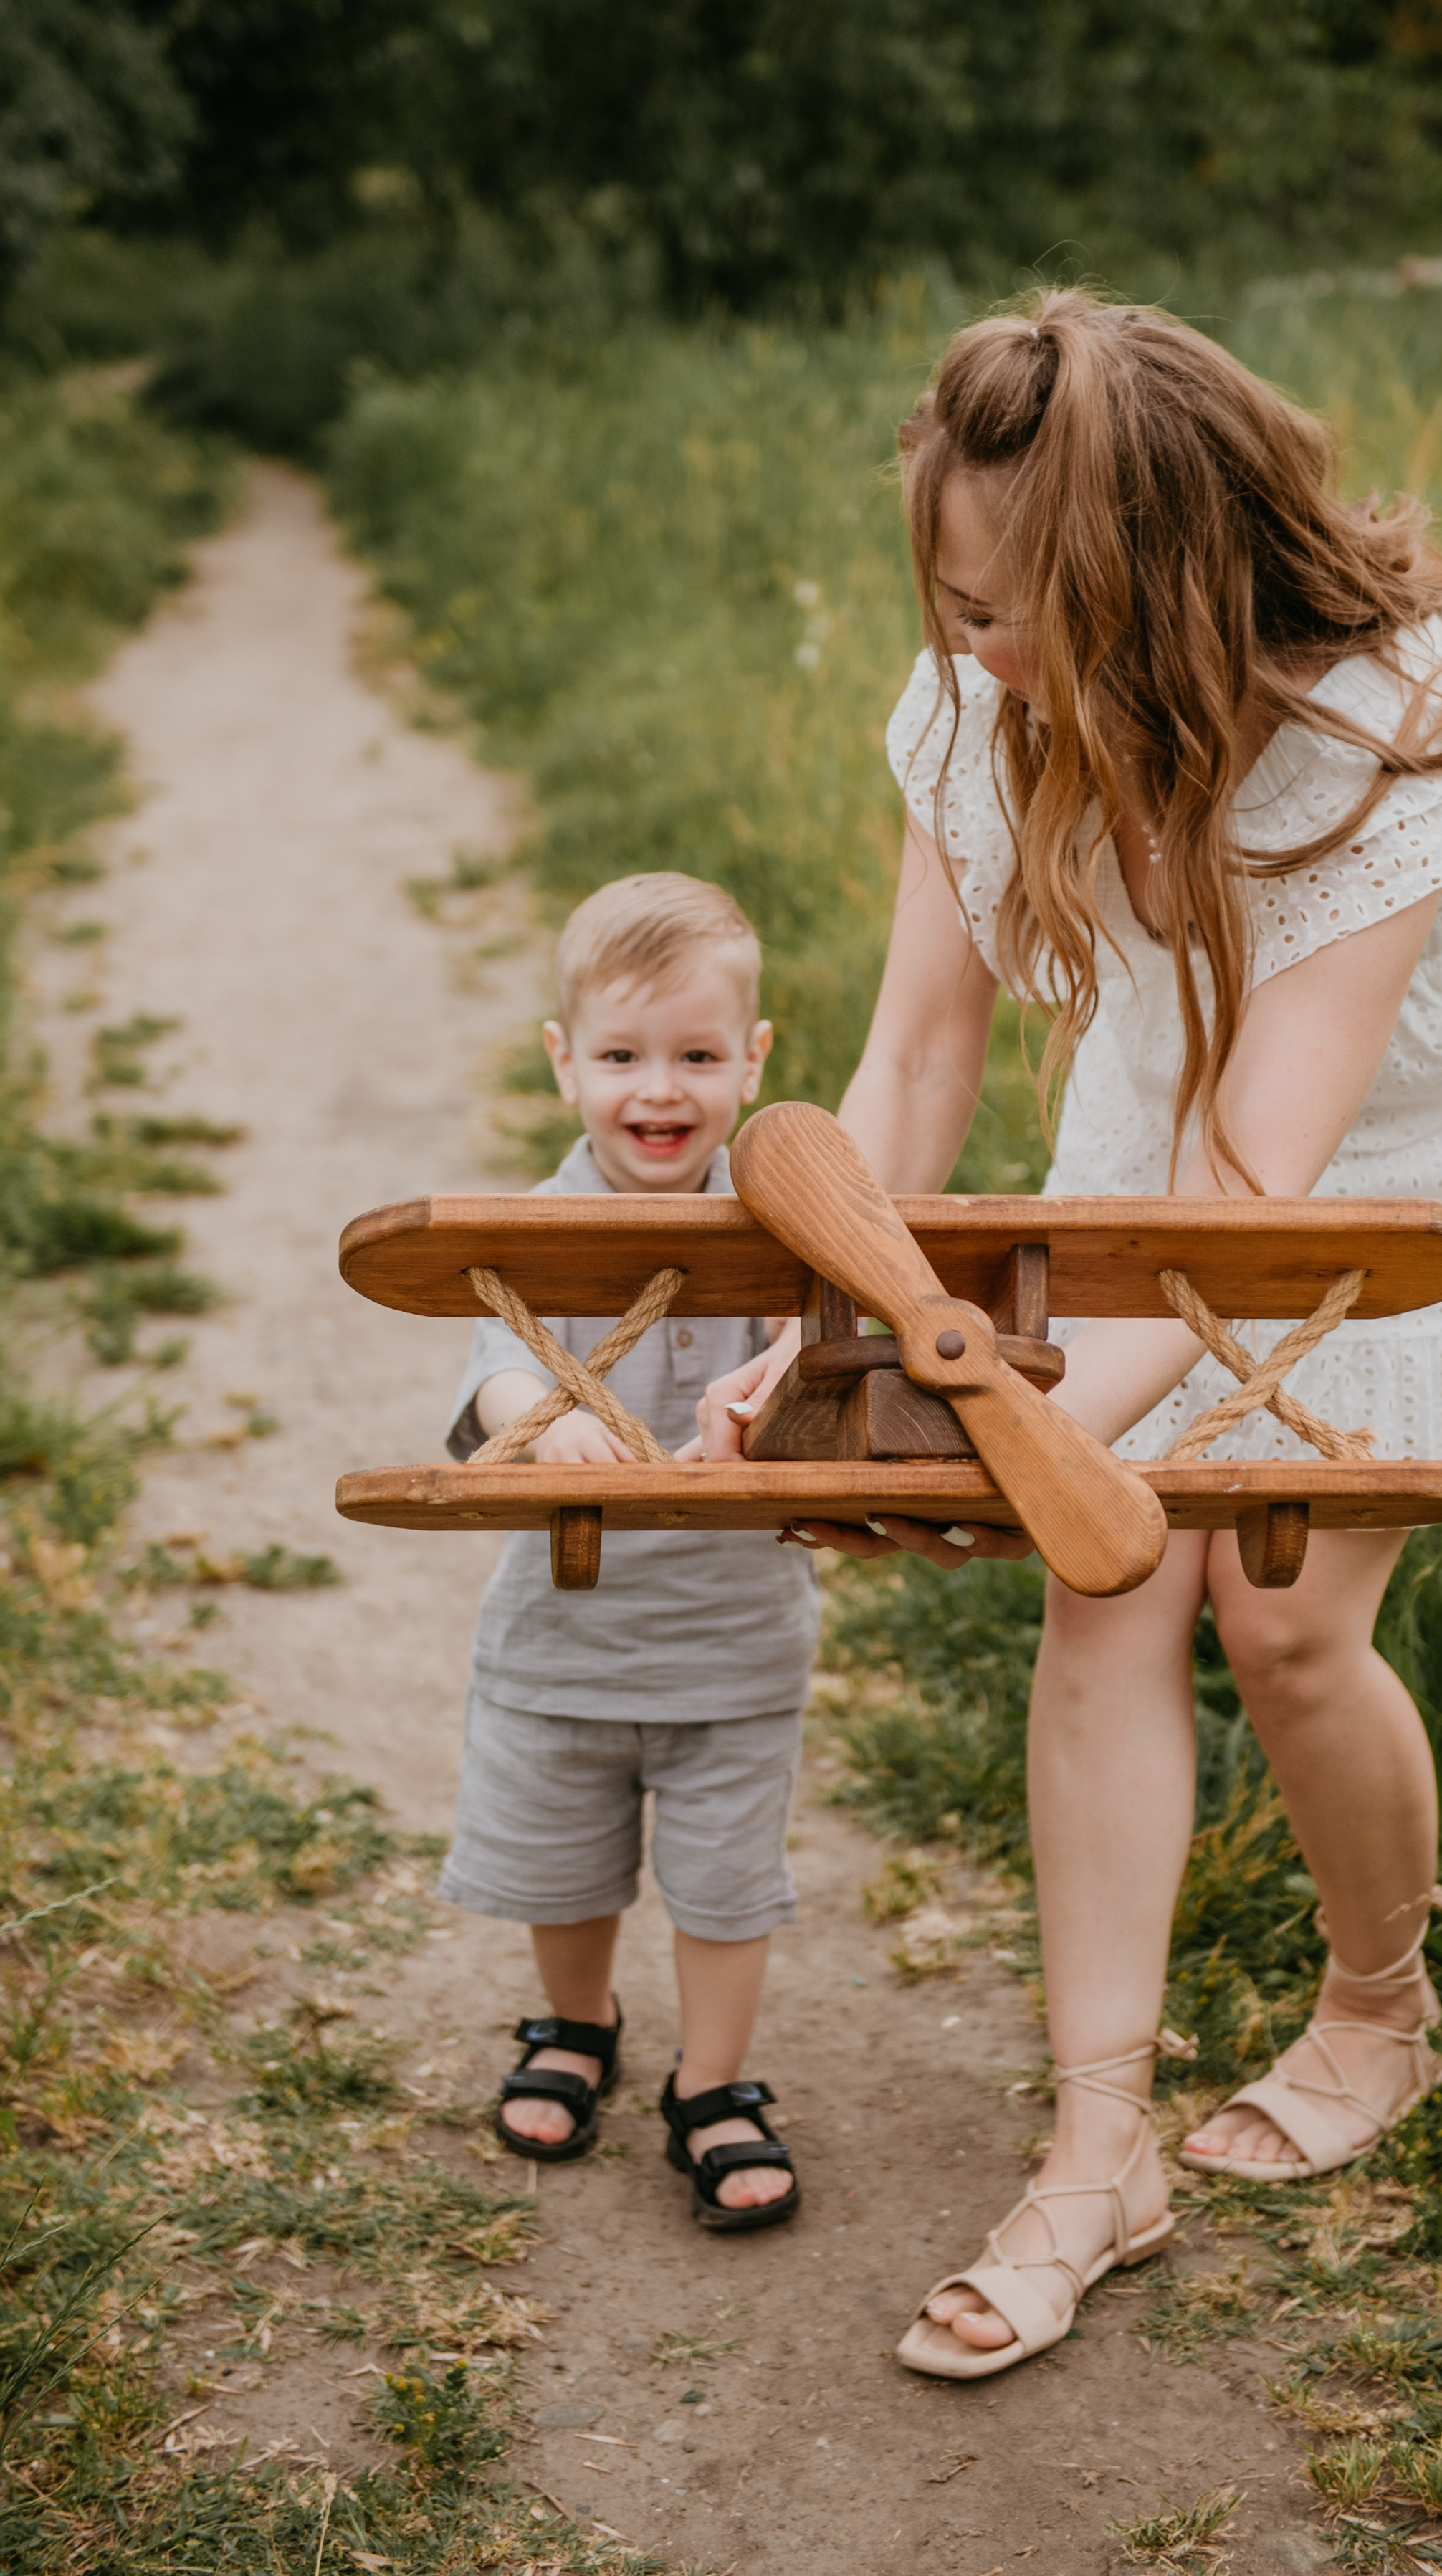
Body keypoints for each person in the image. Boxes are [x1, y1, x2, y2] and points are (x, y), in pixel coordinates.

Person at [700, 291, 1442, 2367]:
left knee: (1285, 1621)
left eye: (1024, 616)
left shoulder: (1384, 753)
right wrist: (855, 1331)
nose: (979, 654)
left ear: (1176, 589)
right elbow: (918, 1059)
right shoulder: (978, 700)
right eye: (953, 604)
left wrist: (1008, 1426)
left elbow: (1255, 1197)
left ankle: (1382, 2011)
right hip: (1182, 1104)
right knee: (1108, 1591)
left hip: (1420, 1148)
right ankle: (1096, 2149)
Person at [439, 872, 817, 2230]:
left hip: (733, 1638)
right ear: (566, 1065)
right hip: (565, 1630)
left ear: (754, 1062)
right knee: (565, 1859)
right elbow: (493, 1373)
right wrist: (537, 1428)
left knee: (725, 1883)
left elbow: (829, 1358)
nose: (659, 1092)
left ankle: (711, 2083)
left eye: (698, 1058)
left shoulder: (786, 1231)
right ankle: (576, 2018)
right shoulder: (535, 1236)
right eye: (622, 1058)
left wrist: (790, 1378)